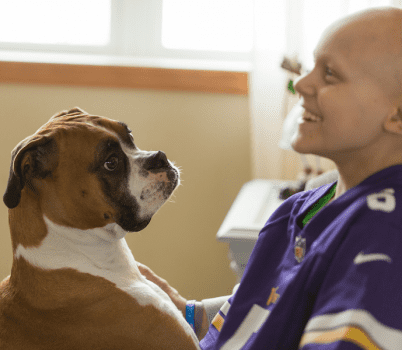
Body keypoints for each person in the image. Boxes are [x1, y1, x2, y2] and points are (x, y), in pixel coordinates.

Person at [138, 7, 402, 349]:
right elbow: (267, 309)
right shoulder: (299, 208)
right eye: (312, 67)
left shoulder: (384, 233)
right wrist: (186, 313)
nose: (302, 84)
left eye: (331, 74)